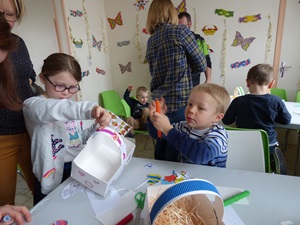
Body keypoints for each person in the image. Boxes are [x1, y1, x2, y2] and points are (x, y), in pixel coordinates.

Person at [23, 53, 111, 204]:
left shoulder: (70, 107)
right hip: (52, 175)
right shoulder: (32, 105)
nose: (66, 92)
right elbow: (55, 109)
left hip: (78, 168)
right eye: (60, 85)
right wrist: (91, 108)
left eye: (72, 88)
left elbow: (79, 139)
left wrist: (97, 127)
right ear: (43, 78)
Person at [145, 0, 207, 162]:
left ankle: (161, 185)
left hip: (160, 103)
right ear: (171, 13)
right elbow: (201, 64)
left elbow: (154, 72)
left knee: (162, 149)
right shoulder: (180, 32)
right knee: (180, 150)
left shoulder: (151, 41)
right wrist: (187, 68)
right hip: (181, 101)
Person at [222, 64, 291, 173]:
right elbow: (286, 120)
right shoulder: (276, 101)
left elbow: (226, 121)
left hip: (242, 144)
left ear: (247, 82)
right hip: (267, 146)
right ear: (271, 84)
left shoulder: (238, 101)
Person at [0, 0, 36, 205]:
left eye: (11, 14)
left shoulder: (19, 42)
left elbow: (30, 74)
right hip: (2, 135)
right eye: (0, 13)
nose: (5, 20)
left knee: (43, 187)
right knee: (4, 202)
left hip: (29, 129)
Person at [149, 83, 230, 167]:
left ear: (217, 117)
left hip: (212, 179)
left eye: (201, 108)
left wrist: (167, 129)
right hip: (188, 175)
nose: (191, 110)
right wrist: (154, 119)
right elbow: (157, 134)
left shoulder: (218, 134)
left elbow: (200, 155)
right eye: (190, 104)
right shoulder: (183, 126)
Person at [178, 12, 212, 86]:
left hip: (194, 81)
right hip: (177, 83)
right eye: (178, 26)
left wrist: (208, 80)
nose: (181, 29)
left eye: (183, 26)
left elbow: (207, 61)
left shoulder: (199, 40)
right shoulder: (174, 40)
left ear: (190, 24)